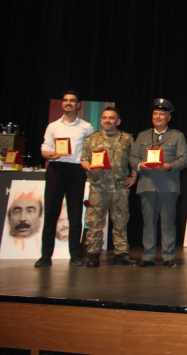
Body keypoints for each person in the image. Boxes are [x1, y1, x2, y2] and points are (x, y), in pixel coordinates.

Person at [36, 90, 95, 268]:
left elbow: (91, 151)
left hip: (76, 171)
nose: (68, 103)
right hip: (56, 169)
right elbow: (44, 149)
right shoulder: (53, 126)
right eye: (65, 100)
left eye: (72, 101)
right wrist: (50, 155)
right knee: (50, 215)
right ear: (62, 103)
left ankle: (75, 256)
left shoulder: (87, 127)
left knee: (75, 216)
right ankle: (45, 256)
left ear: (78, 105)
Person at [129, 99, 187, 268]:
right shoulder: (143, 135)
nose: (158, 117)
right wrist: (140, 165)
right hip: (147, 185)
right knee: (148, 222)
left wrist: (170, 166)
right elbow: (132, 157)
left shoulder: (177, 136)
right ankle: (148, 256)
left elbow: (184, 158)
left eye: (162, 114)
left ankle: (168, 256)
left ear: (169, 117)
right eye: (155, 114)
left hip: (168, 186)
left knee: (168, 222)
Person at [81, 106, 137, 267]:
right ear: (101, 120)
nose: (108, 120)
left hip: (120, 186)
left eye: (111, 118)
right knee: (94, 221)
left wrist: (133, 176)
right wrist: (89, 167)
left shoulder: (127, 139)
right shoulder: (92, 139)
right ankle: (93, 253)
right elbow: (84, 159)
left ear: (118, 121)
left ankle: (121, 253)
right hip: (98, 186)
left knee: (121, 220)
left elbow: (134, 159)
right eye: (105, 118)